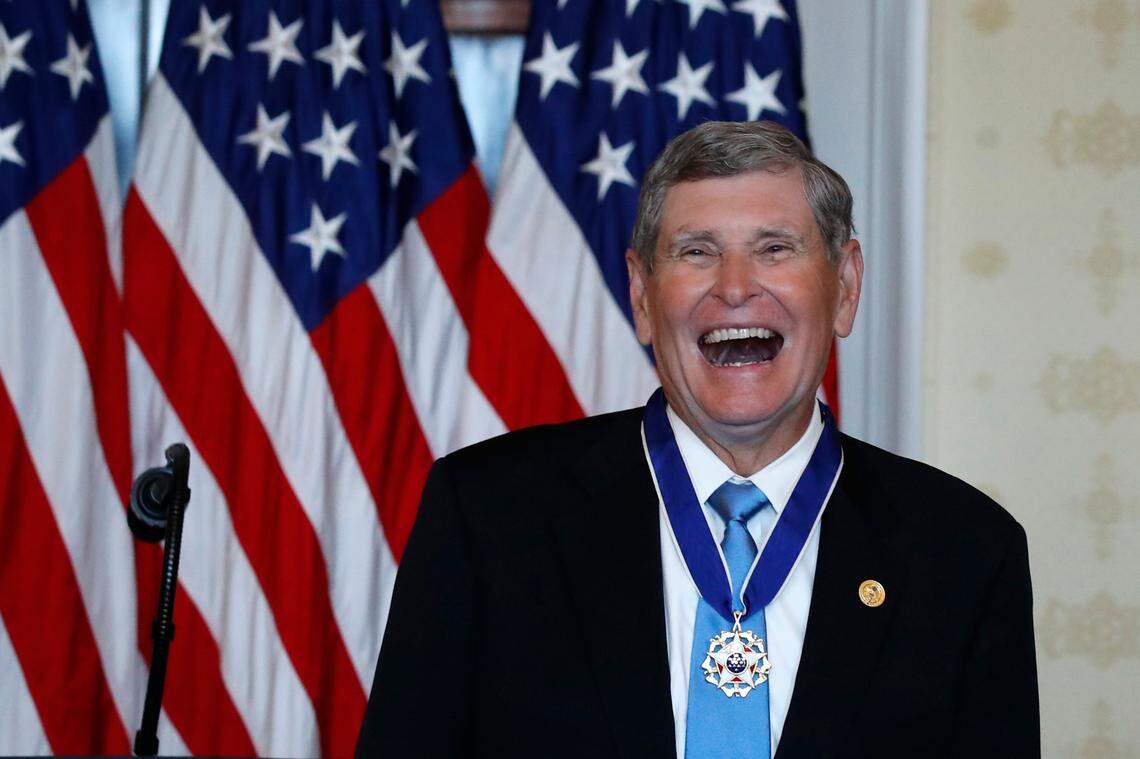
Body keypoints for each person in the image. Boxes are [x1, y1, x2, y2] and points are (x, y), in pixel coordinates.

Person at [355, 121, 1040, 758]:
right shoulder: (488, 518)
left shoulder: (966, 552)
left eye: (775, 248)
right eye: (696, 252)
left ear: (846, 287)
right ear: (643, 296)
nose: (736, 288)